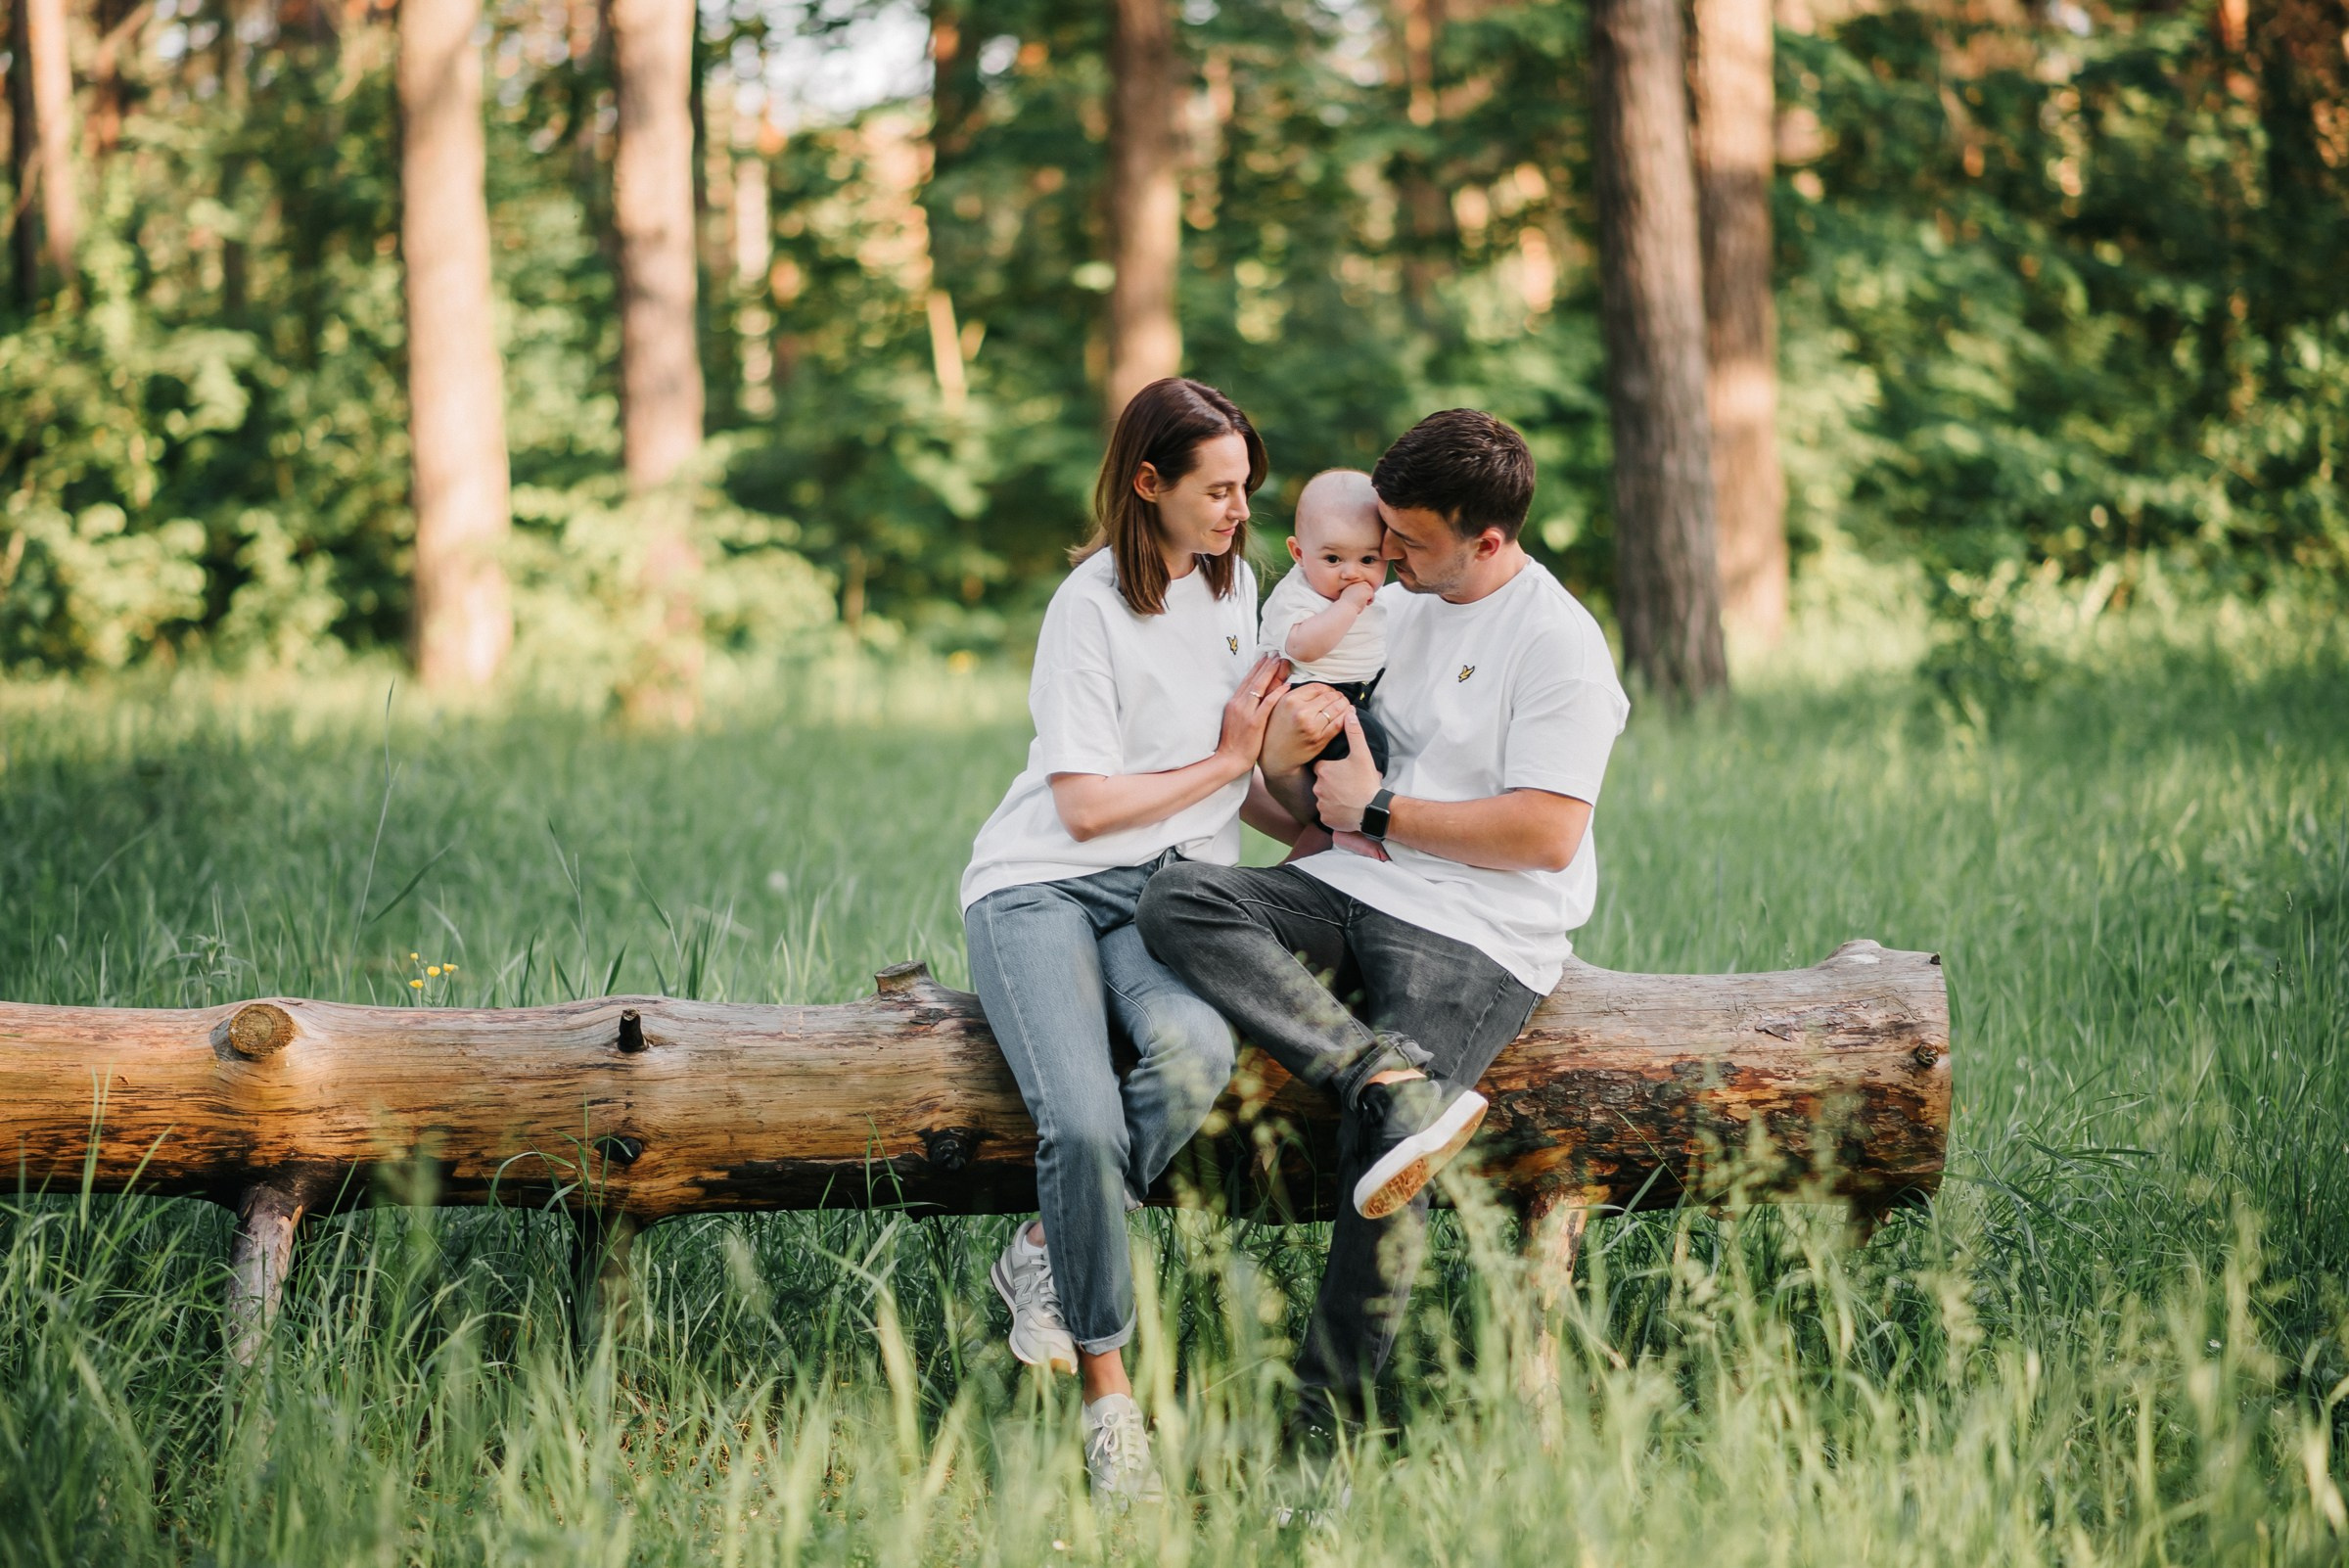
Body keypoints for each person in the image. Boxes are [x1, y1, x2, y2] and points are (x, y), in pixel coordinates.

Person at [1137, 407, 1630, 1444]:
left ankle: (1322, 1440)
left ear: (1486, 540)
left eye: (1408, 539)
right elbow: (1300, 793)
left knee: (1384, 1150)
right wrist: (1279, 752)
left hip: (1484, 928)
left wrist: (1379, 813)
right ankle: (1371, 1071)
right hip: (1362, 881)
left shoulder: (1559, 646)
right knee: (1178, 895)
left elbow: (1546, 832)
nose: (1383, 556)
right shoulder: (1398, 611)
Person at [959, 376, 1299, 1505]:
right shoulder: (1088, 608)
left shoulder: (1235, 585)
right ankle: (1111, 1404)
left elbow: (1213, 784)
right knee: (1083, 1118)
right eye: (1217, 489)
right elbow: (1089, 806)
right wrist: (1233, 760)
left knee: (1195, 1055)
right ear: (1148, 485)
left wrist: (1314, 830)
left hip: (1164, 891)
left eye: (1245, 487)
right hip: (1043, 889)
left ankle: (1044, 1257)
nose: (1239, 510)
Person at [1257, 469, 1394, 777]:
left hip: (1357, 689)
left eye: (1368, 560)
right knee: (1367, 747)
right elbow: (1303, 646)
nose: (1351, 573)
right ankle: (1346, 818)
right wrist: (1348, 605)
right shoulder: (1297, 595)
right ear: (1299, 553)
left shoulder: (1375, 596)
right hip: (1310, 694)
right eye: (1333, 559)